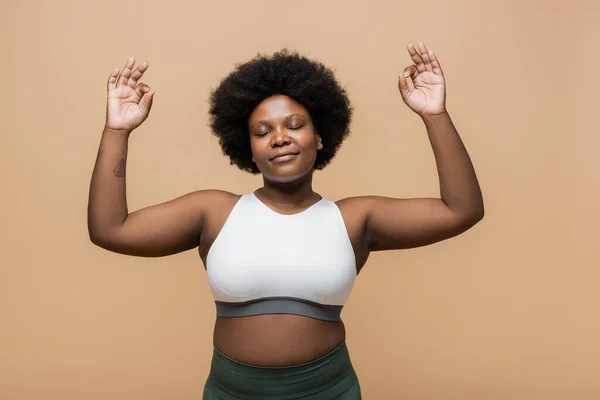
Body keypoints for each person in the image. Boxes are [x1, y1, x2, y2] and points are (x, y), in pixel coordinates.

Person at [87, 42, 484, 399]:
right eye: (263, 132)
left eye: (295, 125)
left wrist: (436, 116)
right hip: (231, 392)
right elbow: (110, 229)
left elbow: (460, 210)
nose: (280, 137)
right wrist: (117, 130)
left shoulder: (354, 219)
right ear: (250, 150)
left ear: (321, 137)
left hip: (328, 390)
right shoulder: (214, 212)